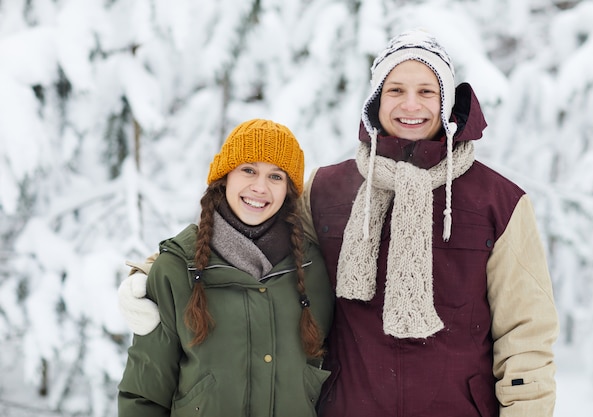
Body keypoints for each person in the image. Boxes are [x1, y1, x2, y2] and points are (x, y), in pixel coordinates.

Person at [119, 29, 559, 417]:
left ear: (447, 102)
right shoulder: (327, 189)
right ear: (375, 100)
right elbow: (253, 240)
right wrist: (155, 269)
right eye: (395, 90)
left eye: (427, 91)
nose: (411, 105)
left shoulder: (498, 202)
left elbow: (527, 334)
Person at [117, 119, 334, 417]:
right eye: (248, 170)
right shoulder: (176, 270)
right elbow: (144, 395)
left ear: (288, 190)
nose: (260, 187)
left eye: (275, 176)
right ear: (225, 177)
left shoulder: (314, 270)